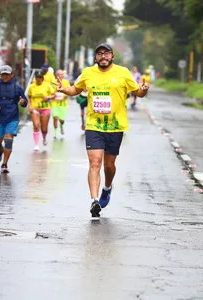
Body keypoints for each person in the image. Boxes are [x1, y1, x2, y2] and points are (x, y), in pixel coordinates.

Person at [55, 43, 149, 217]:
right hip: (94, 125)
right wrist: (64, 90)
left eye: (106, 53)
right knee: (95, 163)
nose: (103, 56)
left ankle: (107, 187)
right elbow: (76, 89)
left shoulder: (123, 73)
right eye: (99, 54)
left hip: (115, 126)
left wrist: (143, 90)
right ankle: (94, 201)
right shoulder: (88, 73)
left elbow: (137, 92)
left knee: (109, 165)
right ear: (95, 57)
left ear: (112, 56)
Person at [0, 65, 28, 173]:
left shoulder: (17, 87)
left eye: (7, 74)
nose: (4, 76)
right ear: (0, 75)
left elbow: (24, 101)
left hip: (12, 118)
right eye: (3, 74)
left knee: (8, 140)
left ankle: (4, 164)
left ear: (11, 75)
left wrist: (23, 102)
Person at [27, 71, 55, 151]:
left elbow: (54, 95)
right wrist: (30, 106)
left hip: (45, 109)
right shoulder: (32, 86)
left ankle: (44, 137)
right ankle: (36, 145)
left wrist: (48, 97)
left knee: (44, 129)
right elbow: (29, 97)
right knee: (36, 125)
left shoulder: (47, 85)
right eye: (36, 78)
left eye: (39, 78)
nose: (38, 80)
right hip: (35, 109)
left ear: (42, 79)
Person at [51, 69, 71, 138]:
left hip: (63, 104)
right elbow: (51, 92)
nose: (61, 75)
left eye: (62, 74)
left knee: (62, 120)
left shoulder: (66, 82)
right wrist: (53, 95)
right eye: (59, 74)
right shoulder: (53, 82)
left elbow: (69, 91)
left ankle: (61, 125)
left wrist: (65, 95)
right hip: (55, 103)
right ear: (56, 75)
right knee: (55, 117)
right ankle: (56, 133)